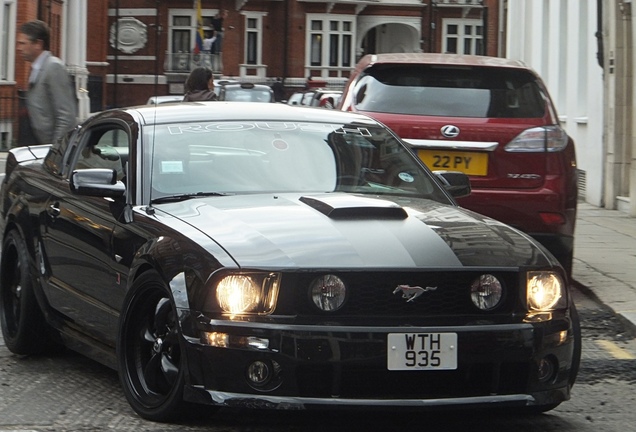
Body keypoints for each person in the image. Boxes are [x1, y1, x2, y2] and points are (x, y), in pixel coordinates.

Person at [16, 20, 77, 145]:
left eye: (22, 43)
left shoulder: (53, 67)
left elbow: (66, 116)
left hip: (49, 148)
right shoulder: (37, 67)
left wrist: (55, 152)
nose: (18, 48)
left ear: (38, 44)